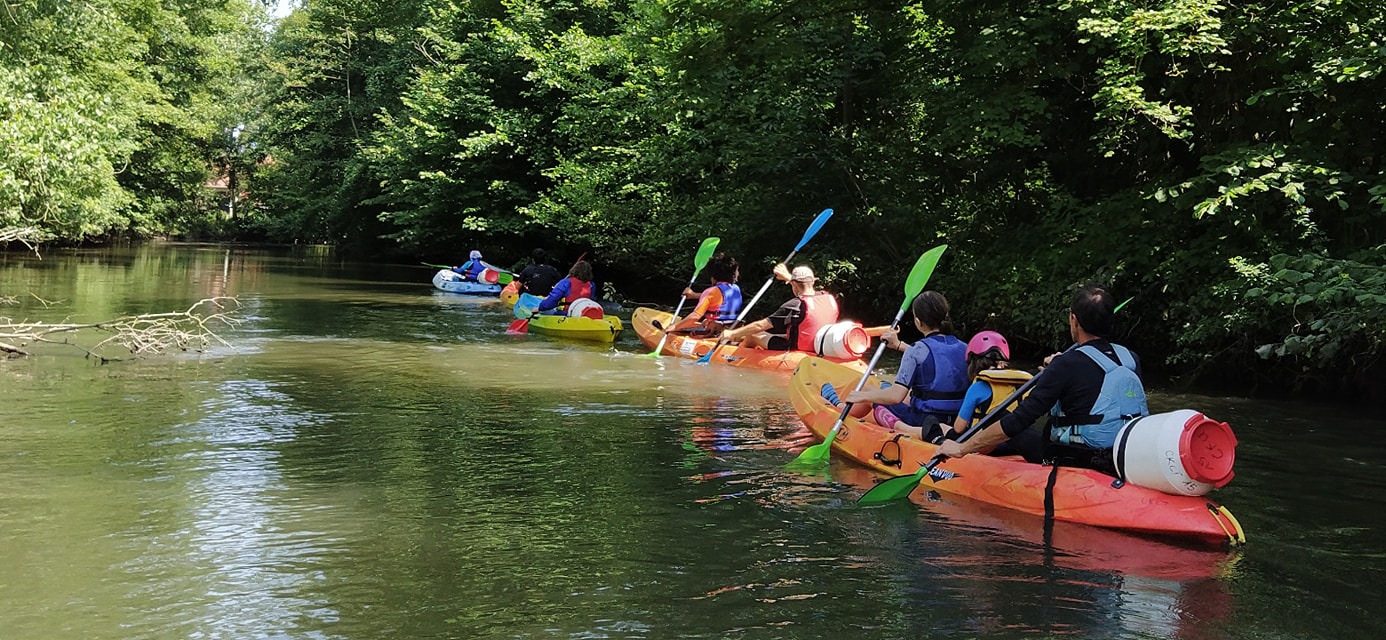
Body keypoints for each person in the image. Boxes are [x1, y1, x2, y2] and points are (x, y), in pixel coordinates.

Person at [937, 285, 1148, 475]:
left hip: (1076, 459)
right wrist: (1054, 372)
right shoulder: (1130, 358)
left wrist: (961, 448)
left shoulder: (1066, 364)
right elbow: (1091, 387)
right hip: (1124, 455)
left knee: (998, 416)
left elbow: (1020, 420)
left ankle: (969, 460)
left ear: (1073, 320)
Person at [819, 291, 969, 441]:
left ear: (918, 322)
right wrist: (898, 345)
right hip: (957, 419)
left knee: (871, 391)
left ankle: (839, 406)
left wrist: (862, 396)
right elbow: (937, 355)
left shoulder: (917, 350)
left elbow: (896, 397)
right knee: (885, 387)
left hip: (925, 419)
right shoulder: (966, 348)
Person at [937, 330, 1033, 449]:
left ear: (974, 362)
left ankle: (907, 432)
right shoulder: (1017, 384)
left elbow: (959, 428)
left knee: (939, 426)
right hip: (1013, 446)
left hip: (984, 446)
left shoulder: (978, 386)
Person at [718, 264, 837, 351]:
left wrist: (731, 333)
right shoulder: (829, 298)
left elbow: (760, 325)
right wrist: (789, 278)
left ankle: (731, 357)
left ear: (794, 284)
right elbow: (802, 287)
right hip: (818, 345)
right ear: (813, 282)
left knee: (753, 336)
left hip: (795, 347)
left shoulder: (795, 305)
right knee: (770, 334)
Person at [667, 253, 742, 336]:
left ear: (712, 276)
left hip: (712, 333)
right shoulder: (735, 289)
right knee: (702, 323)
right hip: (730, 330)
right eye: (737, 270)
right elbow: (718, 300)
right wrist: (694, 295)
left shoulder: (711, 292)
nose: (738, 273)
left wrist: (675, 327)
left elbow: (695, 316)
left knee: (678, 329)